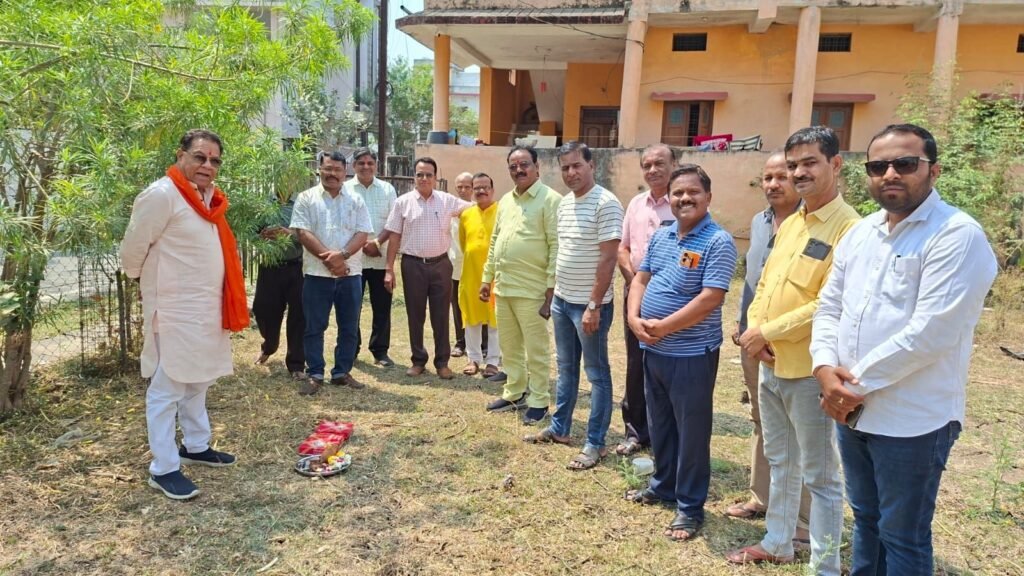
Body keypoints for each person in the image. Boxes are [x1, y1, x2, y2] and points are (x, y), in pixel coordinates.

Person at [811, 124, 997, 575]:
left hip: (912, 419)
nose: (890, 174)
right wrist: (824, 368)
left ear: (934, 170)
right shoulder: (861, 233)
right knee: (867, 520)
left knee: (903, 535)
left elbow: (931, 332)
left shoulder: (956, 235)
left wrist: (848, 388)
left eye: (905, 163)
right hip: (852, 410)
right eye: (878, 166)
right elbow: (829, 305)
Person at [727, 127, 860, 574]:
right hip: (771, 363)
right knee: (781, 459)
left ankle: (825, 564)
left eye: (810, 163)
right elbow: (765, 282)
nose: (799, 172)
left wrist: (768, 331)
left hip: (810, 369)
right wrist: (756, 331)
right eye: (793, 165)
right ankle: (778, 541)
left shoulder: (851, 229)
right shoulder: (792, 222)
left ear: (835, 164)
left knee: (820, 475)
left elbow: (830, 303)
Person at [120, 129, 247, 500]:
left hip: (207, 307)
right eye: (199, 157)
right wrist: (148, 284)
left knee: (198, 380)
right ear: (181, 156)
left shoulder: (210, 200)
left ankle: (196, 445)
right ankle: (163, 467)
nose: (207, 165)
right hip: (175, 309)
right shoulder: (162, 195)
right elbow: (132, 251)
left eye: (214, 160)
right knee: (168, 386)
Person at [623, 164, 737, 541]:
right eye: (678, 193)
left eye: (693, 192)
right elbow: (641, 277)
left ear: (708, 197)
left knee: (691, 432)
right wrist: (633, 316)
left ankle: (689, 506)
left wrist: (664, 327)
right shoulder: (663, 235)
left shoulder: (718, 241)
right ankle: (663, 486)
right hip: (653, 350)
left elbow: (711, 298)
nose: (685, 198)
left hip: (691, 356)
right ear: (669, 198)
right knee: (660, 424)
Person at [725, 152, 812, 550]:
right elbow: (754, 281)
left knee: (801, 433)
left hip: (793, 345)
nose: (774, 184)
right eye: (767, 177)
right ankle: (762, 497)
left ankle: (802, 521)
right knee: (763, 422)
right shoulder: (760, 223)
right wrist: (742, 325)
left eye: (782, 176)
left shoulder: (811, 223)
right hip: (752, 341)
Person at [523, 141, 623, 471]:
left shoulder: (607, 204)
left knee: (597, 374)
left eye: (577, 165)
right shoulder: (565, 204)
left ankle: (595, 442)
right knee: (565, 368)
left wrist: (594, 305)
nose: (571, 172)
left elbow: (608, 259)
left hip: (589, 307)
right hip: (563, 302)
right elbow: (564, 251)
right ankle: (560, 428)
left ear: (592, 165)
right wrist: (554, 296)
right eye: (565, 167)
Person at [481, 146, 560, 424]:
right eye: (513, 166)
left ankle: (539, 400)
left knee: (536, 350)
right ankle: (515, 392)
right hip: (504, 288)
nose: (519, 170)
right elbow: (496, 240)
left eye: (524, 164)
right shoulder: (506, 200)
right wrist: (487, 277)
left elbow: (556, 246)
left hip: (533, 290)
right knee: (510, 346)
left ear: (537, 167)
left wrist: (550, 290)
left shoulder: (551, 200)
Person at [290, 151, 373, 396]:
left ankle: (341, 372)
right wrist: (331, 260)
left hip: (350, 275)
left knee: (349, 326)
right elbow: (303, 232)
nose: (332, 174)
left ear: (345, 172)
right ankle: (315, 373)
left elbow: (362, 233)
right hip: (316, 275)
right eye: (327, 168)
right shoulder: (306, 198)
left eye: (337, 169)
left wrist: (342, 256)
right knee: (314, 327)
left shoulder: (356, 199)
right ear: (319, 169)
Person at [384, 157, 471, 379]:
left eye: (429, 175)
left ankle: (442, 363)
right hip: (412, 265)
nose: (424, 178)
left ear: (435, 177)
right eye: (420, 174)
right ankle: (418, 360)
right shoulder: (402, 202)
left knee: (441, 315)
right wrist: (389, 269)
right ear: (414, 177)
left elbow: (474, 209)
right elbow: (394, 236)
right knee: (415, 314)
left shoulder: (447, 201)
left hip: (441, 265)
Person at [614, 144, 676, 456]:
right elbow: (623, 248)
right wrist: (633, 282)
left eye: (659, 163)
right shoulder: (637, 204)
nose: (652, 170)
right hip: (636, 293)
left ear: (674, 164)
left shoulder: (682, 202)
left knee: (669, 363)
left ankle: (666, 431)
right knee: (636, 363)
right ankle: (636, 431)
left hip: (672, 297)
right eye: (647, 165)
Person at [349, 148, 398, 367]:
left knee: (382, 307)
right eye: (361, 163)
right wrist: (361, 245)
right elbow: (343, 224)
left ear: (376, 165)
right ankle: (351, 349)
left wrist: (376, 243)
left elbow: (394, 223)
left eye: (370, 163)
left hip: (380, 258)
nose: (366, 166)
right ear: (354, 166)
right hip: (353, 260)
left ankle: (380, 351)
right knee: (351, 307)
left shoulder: (387, 190)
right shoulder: (345, 189)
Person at [252, 190, 305, 381]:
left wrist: (290, 234)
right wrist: (261, 235)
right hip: (269, 266)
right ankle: (270, 344)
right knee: (262, 309)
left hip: (297, 266)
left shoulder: (302, 203)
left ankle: (296, 364)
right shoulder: (262, 203)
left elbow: (312, 233)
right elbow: (250, 231)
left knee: (299, 316)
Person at [458, 173, 500, 376]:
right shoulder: (466, 215)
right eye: (477, 188)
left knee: (495, 318)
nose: (481, 191)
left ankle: (493, 361)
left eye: (485, 187)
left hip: (496, 275)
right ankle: (473, 358)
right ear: (472, 191)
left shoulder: (502, 212)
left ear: (492, 190)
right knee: (471, 317)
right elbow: (463, 243)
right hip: (471, 274)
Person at [448, 172, 473, 359]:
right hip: (453, 265)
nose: (463, 190)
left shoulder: (478, 209)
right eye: (460, 187)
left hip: (474, 266)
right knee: (457, 305)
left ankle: (483, 343)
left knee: (478, 303)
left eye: (467, 187)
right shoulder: (449, 210)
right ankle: (460, 342)